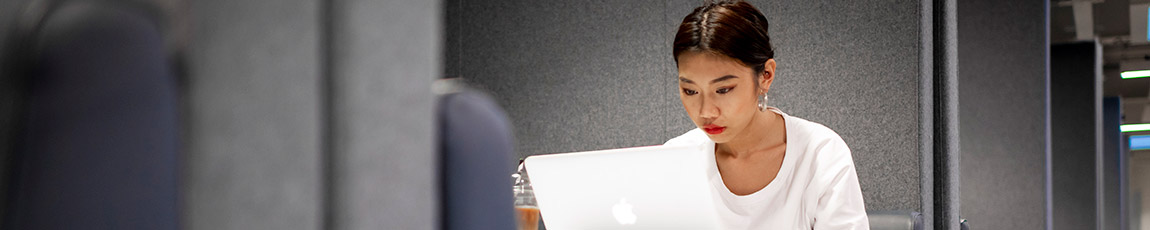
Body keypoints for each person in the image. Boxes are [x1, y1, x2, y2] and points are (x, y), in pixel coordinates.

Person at [662, 1, 869, 229]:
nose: (705, 111)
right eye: (690, 91)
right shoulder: (675, 158)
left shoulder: (821, 154)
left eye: (723, 90)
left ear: (766, 76)